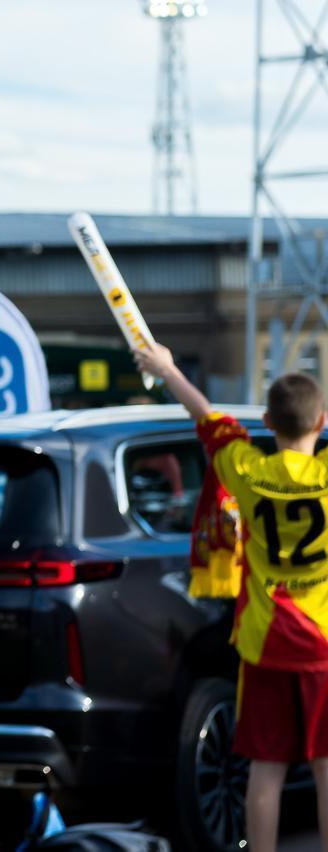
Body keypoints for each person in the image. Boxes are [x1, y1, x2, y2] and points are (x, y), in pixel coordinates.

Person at [135, 342, 328, 852]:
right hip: (324, 646)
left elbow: (206, 415)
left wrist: (167, 369)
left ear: (267, 422)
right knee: (327, 767)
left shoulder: (246, 469)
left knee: (266, 769)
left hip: (265, 643)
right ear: (322, 421)